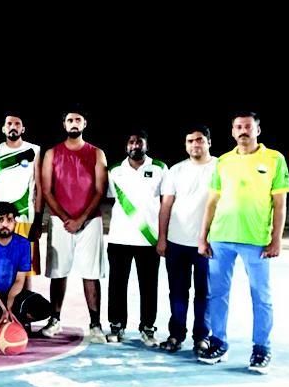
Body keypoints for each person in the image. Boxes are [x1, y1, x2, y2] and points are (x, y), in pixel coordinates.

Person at [197, 110, 289, 374]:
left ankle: (261, 348)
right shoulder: (224, 162)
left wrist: (276, 239)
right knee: (217, 294)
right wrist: (203, 237)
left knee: (261, 295)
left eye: (248, 126)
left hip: (256, 240)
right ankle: (219, 342)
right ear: (232, 131)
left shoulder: (274, 159)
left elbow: (280, 204)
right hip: (221, 238)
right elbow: (212, 202)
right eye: (238, 127)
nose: (243, 131)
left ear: (257, 130)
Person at [39, 107, 107, 343]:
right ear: (64, 125)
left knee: (91, 273)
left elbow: (100, 190)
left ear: (84, 124)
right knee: (58, 273)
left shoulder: (97, 153)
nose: (74, 123)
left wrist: (81, 219)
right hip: (60, 221)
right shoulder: (52, 153)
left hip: (90, 221)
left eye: (78, 119)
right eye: (70, 120)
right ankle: (54, 319)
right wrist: (66, 218)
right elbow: (46, 190)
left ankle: (95, 324)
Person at [105, 129, 168, 346]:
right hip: (119, 238)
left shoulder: (159, 168)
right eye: (131, 142)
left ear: (146, 145)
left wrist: (163, 237)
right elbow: (109, 198)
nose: (135, 146)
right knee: (117, 285)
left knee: (149, 286)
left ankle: (148, 327)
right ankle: (116, 325)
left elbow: (166, 203)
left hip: (148, 240)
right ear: (126, 146)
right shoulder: (114, 171)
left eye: (139, 142)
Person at [156, 125, 215, 354]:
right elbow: (166, 206)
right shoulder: (176, 170)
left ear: (209, 142)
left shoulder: (220, 168)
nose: (195, 144)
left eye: (199, 140)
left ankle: (202, 337)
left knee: (204, 294)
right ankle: (176, 334)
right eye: (190, 141)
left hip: (208, 244)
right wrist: (162, 238)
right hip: (177, 242)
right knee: (178, 292)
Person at [0, 202, 50, 347]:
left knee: (44, 308)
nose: (5, 224)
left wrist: (9, 307)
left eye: (9, 220)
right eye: (1, 219)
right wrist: (3, 308)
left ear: (15, 222)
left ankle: (13, 319)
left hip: (13, 295)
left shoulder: (23, 244)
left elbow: (19, 281)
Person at [0, 110, 43, 283]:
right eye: (9, 124)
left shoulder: (34, 150)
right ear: (3, 128)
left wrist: (38, 220)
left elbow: (39, 188)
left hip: (24, 217)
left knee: (25, 272)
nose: (13, 127)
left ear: (23, 129)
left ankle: (24, 301)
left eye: (17, 124)